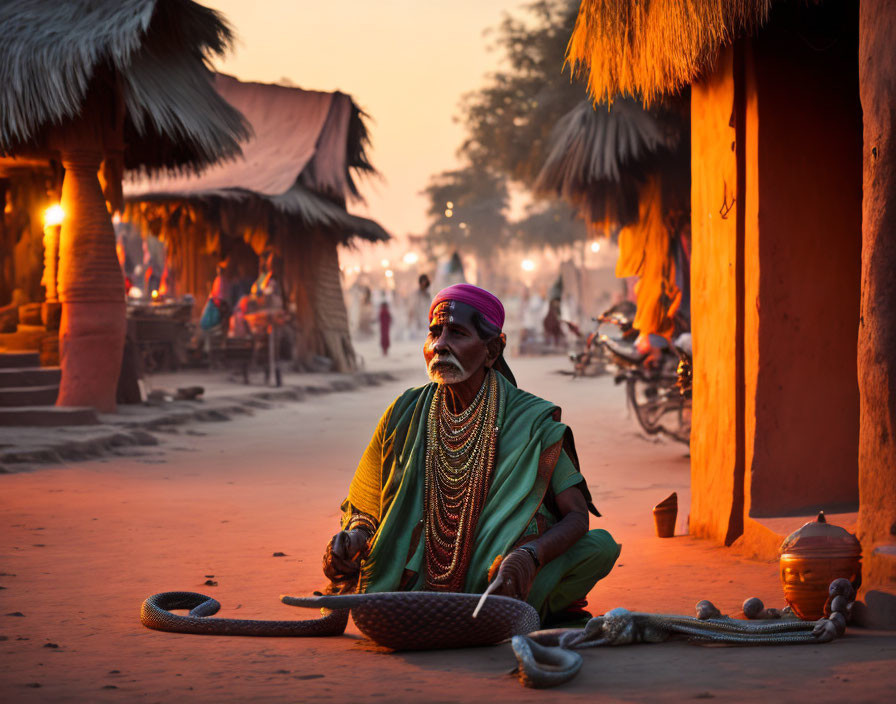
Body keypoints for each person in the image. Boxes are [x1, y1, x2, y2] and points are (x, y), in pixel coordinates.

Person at [323, 284, 620, 626]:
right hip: (411, 580)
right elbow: (364, 506)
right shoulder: (402, 412)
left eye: (457, 333)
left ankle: (522, 599)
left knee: (600, 548)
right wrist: (355, 537)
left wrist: (530, 556)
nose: (439, 345)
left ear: (492, 350)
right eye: (435, 332)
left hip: (497, 582)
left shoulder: (530, 420)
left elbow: (577, 517)